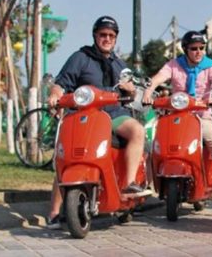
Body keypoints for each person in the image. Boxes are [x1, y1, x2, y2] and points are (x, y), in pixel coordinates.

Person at [44, 16, 149, 229]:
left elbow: (132, 93)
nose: (107, 38)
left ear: (116, 38)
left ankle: (129, 184)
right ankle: (54, 212)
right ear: (95, 35)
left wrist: (130, 89)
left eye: (111, 35)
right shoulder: (80, 57)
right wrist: (55, 96)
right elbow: (61, 83)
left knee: (137, 131)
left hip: (113, 115)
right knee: (65, 156)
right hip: (83, 115)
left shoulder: (119, 64)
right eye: (103, 34)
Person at [142, 31, 212, 178]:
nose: (198, 52)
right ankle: (148, 184)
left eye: (202, 48)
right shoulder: (174, 65)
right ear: (185, 49)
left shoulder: (210, 66)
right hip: (176, 117)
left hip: (202, 117)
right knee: (154, 144)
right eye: (194, 49)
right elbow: (157, 79)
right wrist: (147, 94)